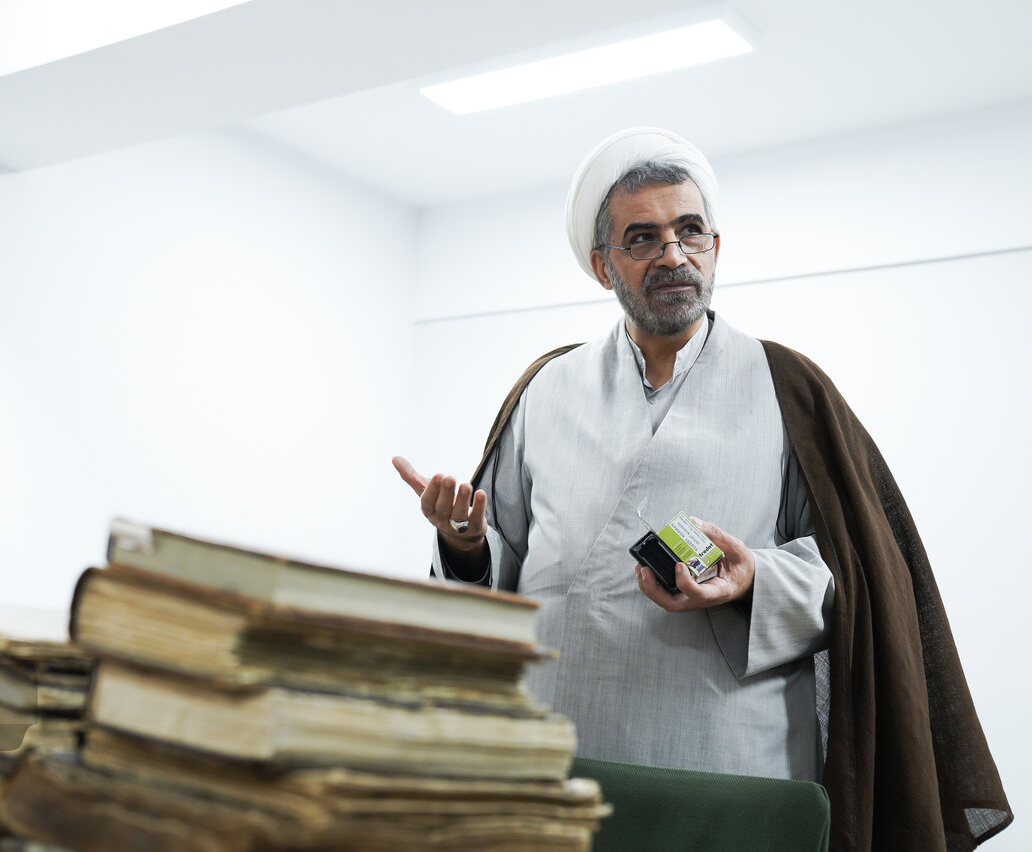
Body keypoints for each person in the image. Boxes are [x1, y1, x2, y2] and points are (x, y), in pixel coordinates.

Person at [393, 127, 1010, 851]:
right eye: (643, 238)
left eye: (690, 231)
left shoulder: (786, 386)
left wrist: (754, 579)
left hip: (726, 764)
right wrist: (465, 545)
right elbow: (500, 561)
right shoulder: (546, 387)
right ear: (602, 265)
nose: (673, 254)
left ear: (715, 246)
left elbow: (854, 581)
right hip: (559, 750)